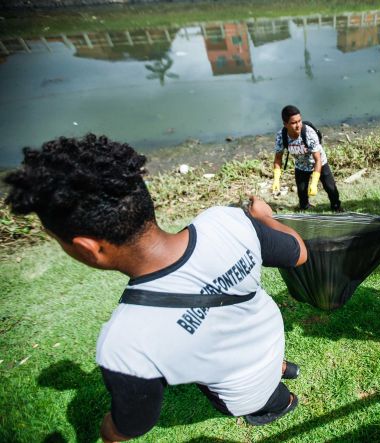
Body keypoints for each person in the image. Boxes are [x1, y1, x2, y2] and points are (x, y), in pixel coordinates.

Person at [3, 134, 308, 441]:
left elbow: (134, 424)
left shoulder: (124, 345)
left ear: (87, 248)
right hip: (271, 338)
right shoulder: (227, 222)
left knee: (264, 399)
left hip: (243, 392)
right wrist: (265, 217)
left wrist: (107, 432)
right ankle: (278, 367)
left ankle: (281, 402)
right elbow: (299, 252)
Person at [272, 105, 343, 212]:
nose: (298, 125)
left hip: (319, 163)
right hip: (301, 165)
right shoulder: (281, 136)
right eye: (293, 123)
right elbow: (278, 158)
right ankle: (304, 208)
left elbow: (317, 159)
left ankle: (336, 207)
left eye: (299, 121)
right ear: (285, 124)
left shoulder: (309, 134)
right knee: (302, 191)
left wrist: (314, 183)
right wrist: (276, 179)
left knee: (330, 188)